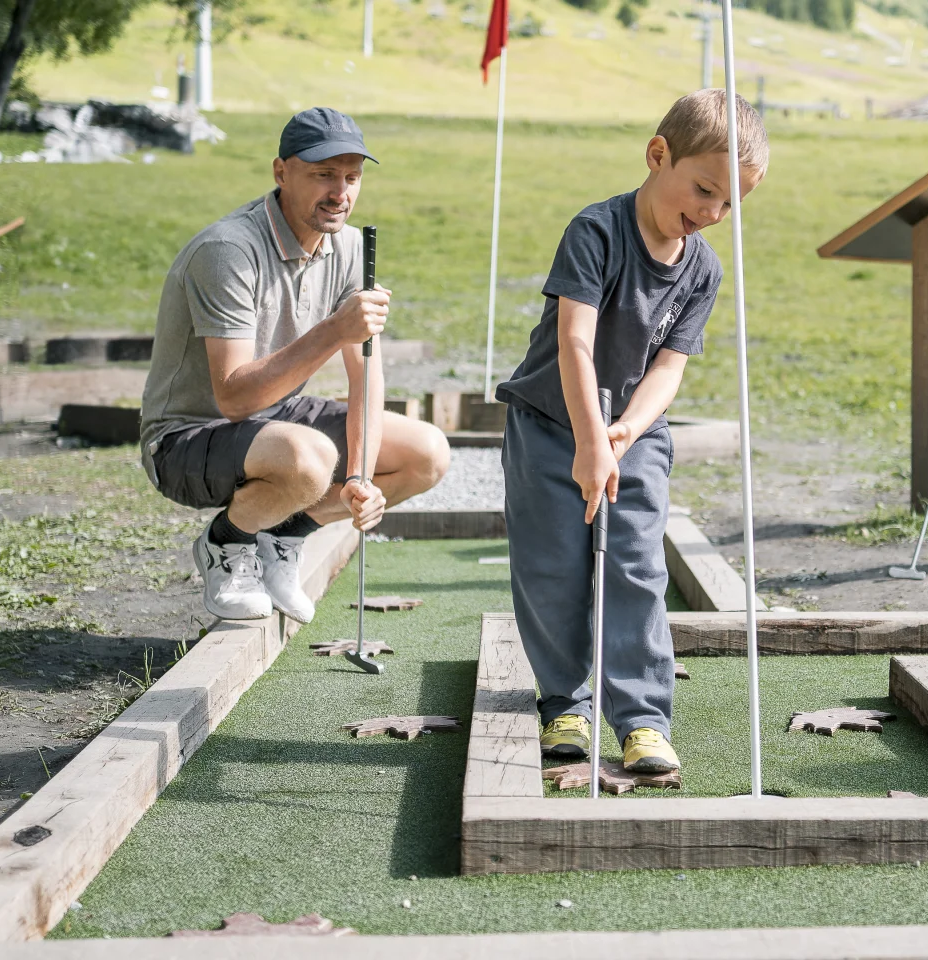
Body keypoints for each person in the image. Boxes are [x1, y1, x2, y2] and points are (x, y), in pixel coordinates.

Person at [497, 90, 766, 775]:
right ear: (657, 155)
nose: (712, 213)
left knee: (636, 569)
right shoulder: (597, 231)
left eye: (731, 203)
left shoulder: (703, 267)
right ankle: (565, 702)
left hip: (632, 434)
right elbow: (576, 344)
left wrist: (621, 434)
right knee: (554, 568)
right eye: (705, 189)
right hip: (549, 422)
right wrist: (590, 438)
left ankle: (642, 720)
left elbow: (669, 368)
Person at [139, 107, 450, 623]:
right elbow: (234, 398)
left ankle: (285, 534)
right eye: (323, 174)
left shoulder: (348, 246)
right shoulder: (228, 251)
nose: (340, 192)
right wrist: (332, 329)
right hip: (186, 437)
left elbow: (365, 377)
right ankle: (226, 542)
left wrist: (360, 477)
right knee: (309, 459)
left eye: (352, 177)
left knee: (428, 453)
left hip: (279, 425)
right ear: (281, 172)